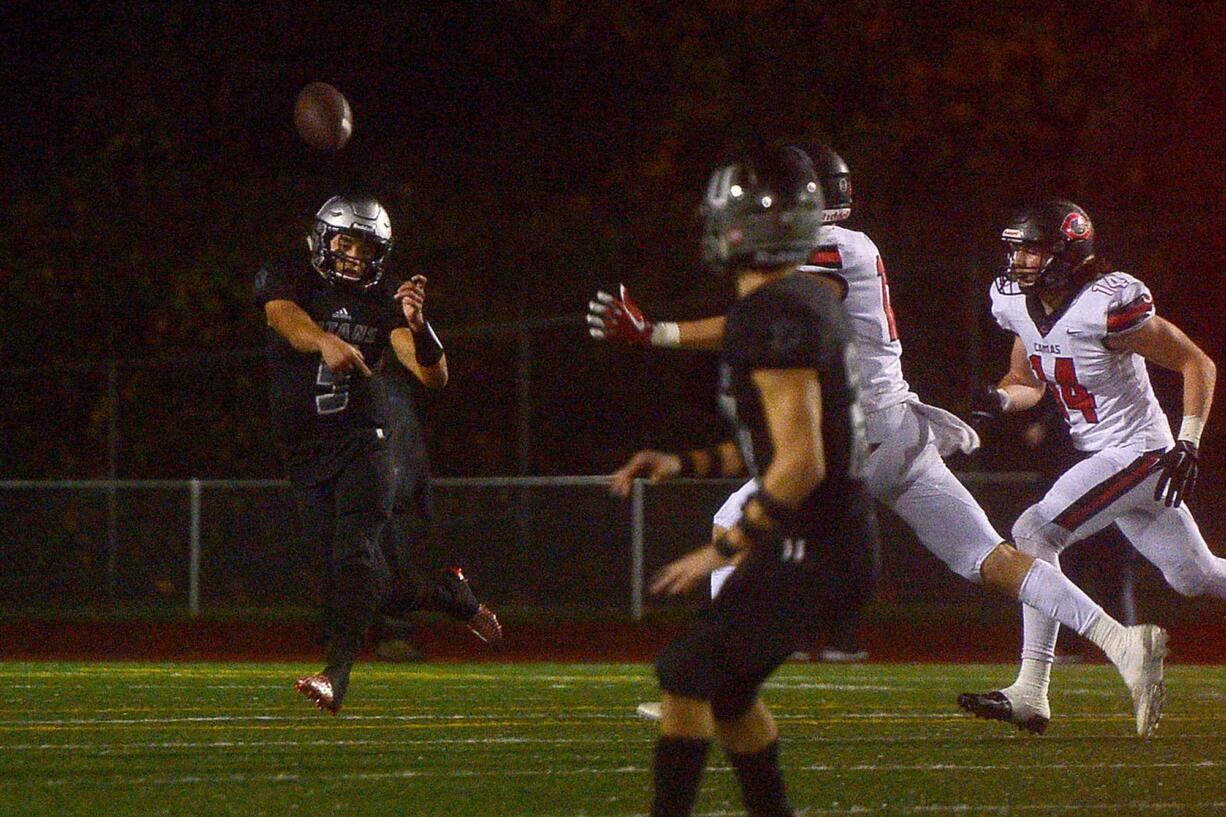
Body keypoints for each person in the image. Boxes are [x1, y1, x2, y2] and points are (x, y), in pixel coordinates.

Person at [594, 147, 1165, 736]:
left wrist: (655, 332)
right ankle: (1121, 641)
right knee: (986, 558)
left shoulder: (839, 250)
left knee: (731, 523)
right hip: (896, 431)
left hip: (862, 437)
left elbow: (765, 315)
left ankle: (714, 687)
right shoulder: (847, 248)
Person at [633, 143, 878, 817]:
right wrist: (684, 463)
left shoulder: (775, 313)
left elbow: (801, 463)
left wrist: (726, 543)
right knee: (730, 694)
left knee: (684, 674)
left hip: (815, 546)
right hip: (827, 541)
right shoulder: (796, 299)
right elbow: (775, 444)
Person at [959, 199, 1219, 737]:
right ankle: (1034, 690)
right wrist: (999, 401)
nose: (1021, 260)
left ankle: (1032, 690)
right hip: (1110, 456)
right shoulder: (1017, 304)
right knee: (1195, 576)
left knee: (1033, 530)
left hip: (1143, 451)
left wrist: (1189, 441)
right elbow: (1027, 380)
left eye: (1032, 249)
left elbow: (1197, 361)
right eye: (1019, 249)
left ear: (1066, 253)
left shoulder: (1108, 303)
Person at [254, 194, 501, 714]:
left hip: (364, 443)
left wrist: (418, 327)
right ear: (323, 239)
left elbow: (433, 375)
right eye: (345, 242)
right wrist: (322, 339)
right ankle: (455, 596)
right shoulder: (288, 274)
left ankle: (335, 674)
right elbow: (282, 317)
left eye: (366, 247)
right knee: (378, 586)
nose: (354, 256)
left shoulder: (385, 296)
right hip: (304, 451)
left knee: (354, 557)